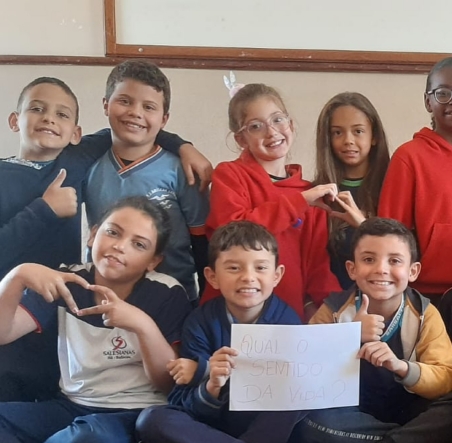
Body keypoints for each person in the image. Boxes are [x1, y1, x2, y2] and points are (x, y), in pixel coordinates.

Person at [1, 75, 211, 401]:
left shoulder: (79, 157)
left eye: (61, 114)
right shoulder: (73, 164)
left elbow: (137, 124)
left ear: (75, 132)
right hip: (29, 301)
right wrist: (44, 210)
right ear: (15, 120)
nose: (49, 120)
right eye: (37, 109)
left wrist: (183, 145)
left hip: (132, 300)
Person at [0, 196, 191, 443]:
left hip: (131, 415)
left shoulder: (167, 292)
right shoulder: (67, 280)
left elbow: (166, 384)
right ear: (92, 235)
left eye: (138, 244)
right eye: (113, 232)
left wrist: (141, 324)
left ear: (153, 261)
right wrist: (16, 277)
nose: (119, 247)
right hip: (71, 406)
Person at [136, 221, 315, 443]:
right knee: (151, 420)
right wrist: (212, 383)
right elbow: (182, 401)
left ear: (277, 275)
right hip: (214, 426)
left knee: (299, 396)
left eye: (260, 267)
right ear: (212, 277)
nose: (248, 277)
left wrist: (202, 370)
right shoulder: (199, 322)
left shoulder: (287, 321)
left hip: (262, 425)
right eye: (234, 268)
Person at [298, 218, 452, 443]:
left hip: (412, 410)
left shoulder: (425, 314)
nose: (381, 269)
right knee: (308, 421)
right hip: (354, 416)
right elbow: (305, 375)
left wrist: (402, 367)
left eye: (394, 261)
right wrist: (350, 337)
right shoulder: (332, 311)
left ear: (413, 271)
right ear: (352, 269)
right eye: (369, 259)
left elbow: (445, 378)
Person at [204, 83, 340, 320]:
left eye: (278, 120)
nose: (271, 132)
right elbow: (233, 236)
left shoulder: (309, 194)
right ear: (241, 139)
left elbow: (317, 267)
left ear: (291, 125)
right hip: (230, 317)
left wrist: (338, 312)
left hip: (286, 320)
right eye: (256, 126)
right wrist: (298, 203)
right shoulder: (229, 175)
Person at [85, 59, 210, 304]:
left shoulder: (183, 169)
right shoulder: (87, 164)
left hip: (172, 300)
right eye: (125, 101)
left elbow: (202, 240)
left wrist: (206, 302)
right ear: (106, 105)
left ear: (164, 119)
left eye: (149, 107)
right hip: (104, 297)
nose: (135, 112)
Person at [378, 56, 452, 302]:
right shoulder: (409, 157)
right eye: (443, 93)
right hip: (428, 295)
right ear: (428, 101)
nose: (451, 100)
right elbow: (391, 232)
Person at [313, 92, 390, 289]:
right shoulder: (317, 194)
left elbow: (400, 255)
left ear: (374, 136)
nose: (348, 140)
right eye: (337, 133)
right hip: (331, 300)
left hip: (383, 297)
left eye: (358, 131)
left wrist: (363, 225)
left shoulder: (392, 186)